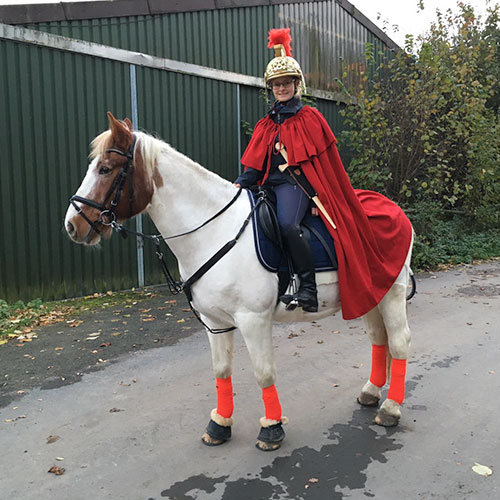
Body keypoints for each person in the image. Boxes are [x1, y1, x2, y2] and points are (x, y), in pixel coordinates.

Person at [236, 28, 413, 320]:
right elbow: (254, 168)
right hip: (267, 186)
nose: (281, 88)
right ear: (271, 88)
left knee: (288, 226)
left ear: (296, 84)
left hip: (296, 187)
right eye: (276, 84)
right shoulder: (265, 125)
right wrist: (238, 185)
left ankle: (308, 290)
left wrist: (323, 199)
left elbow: (326, 165)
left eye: (286, 83)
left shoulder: (310, 118)